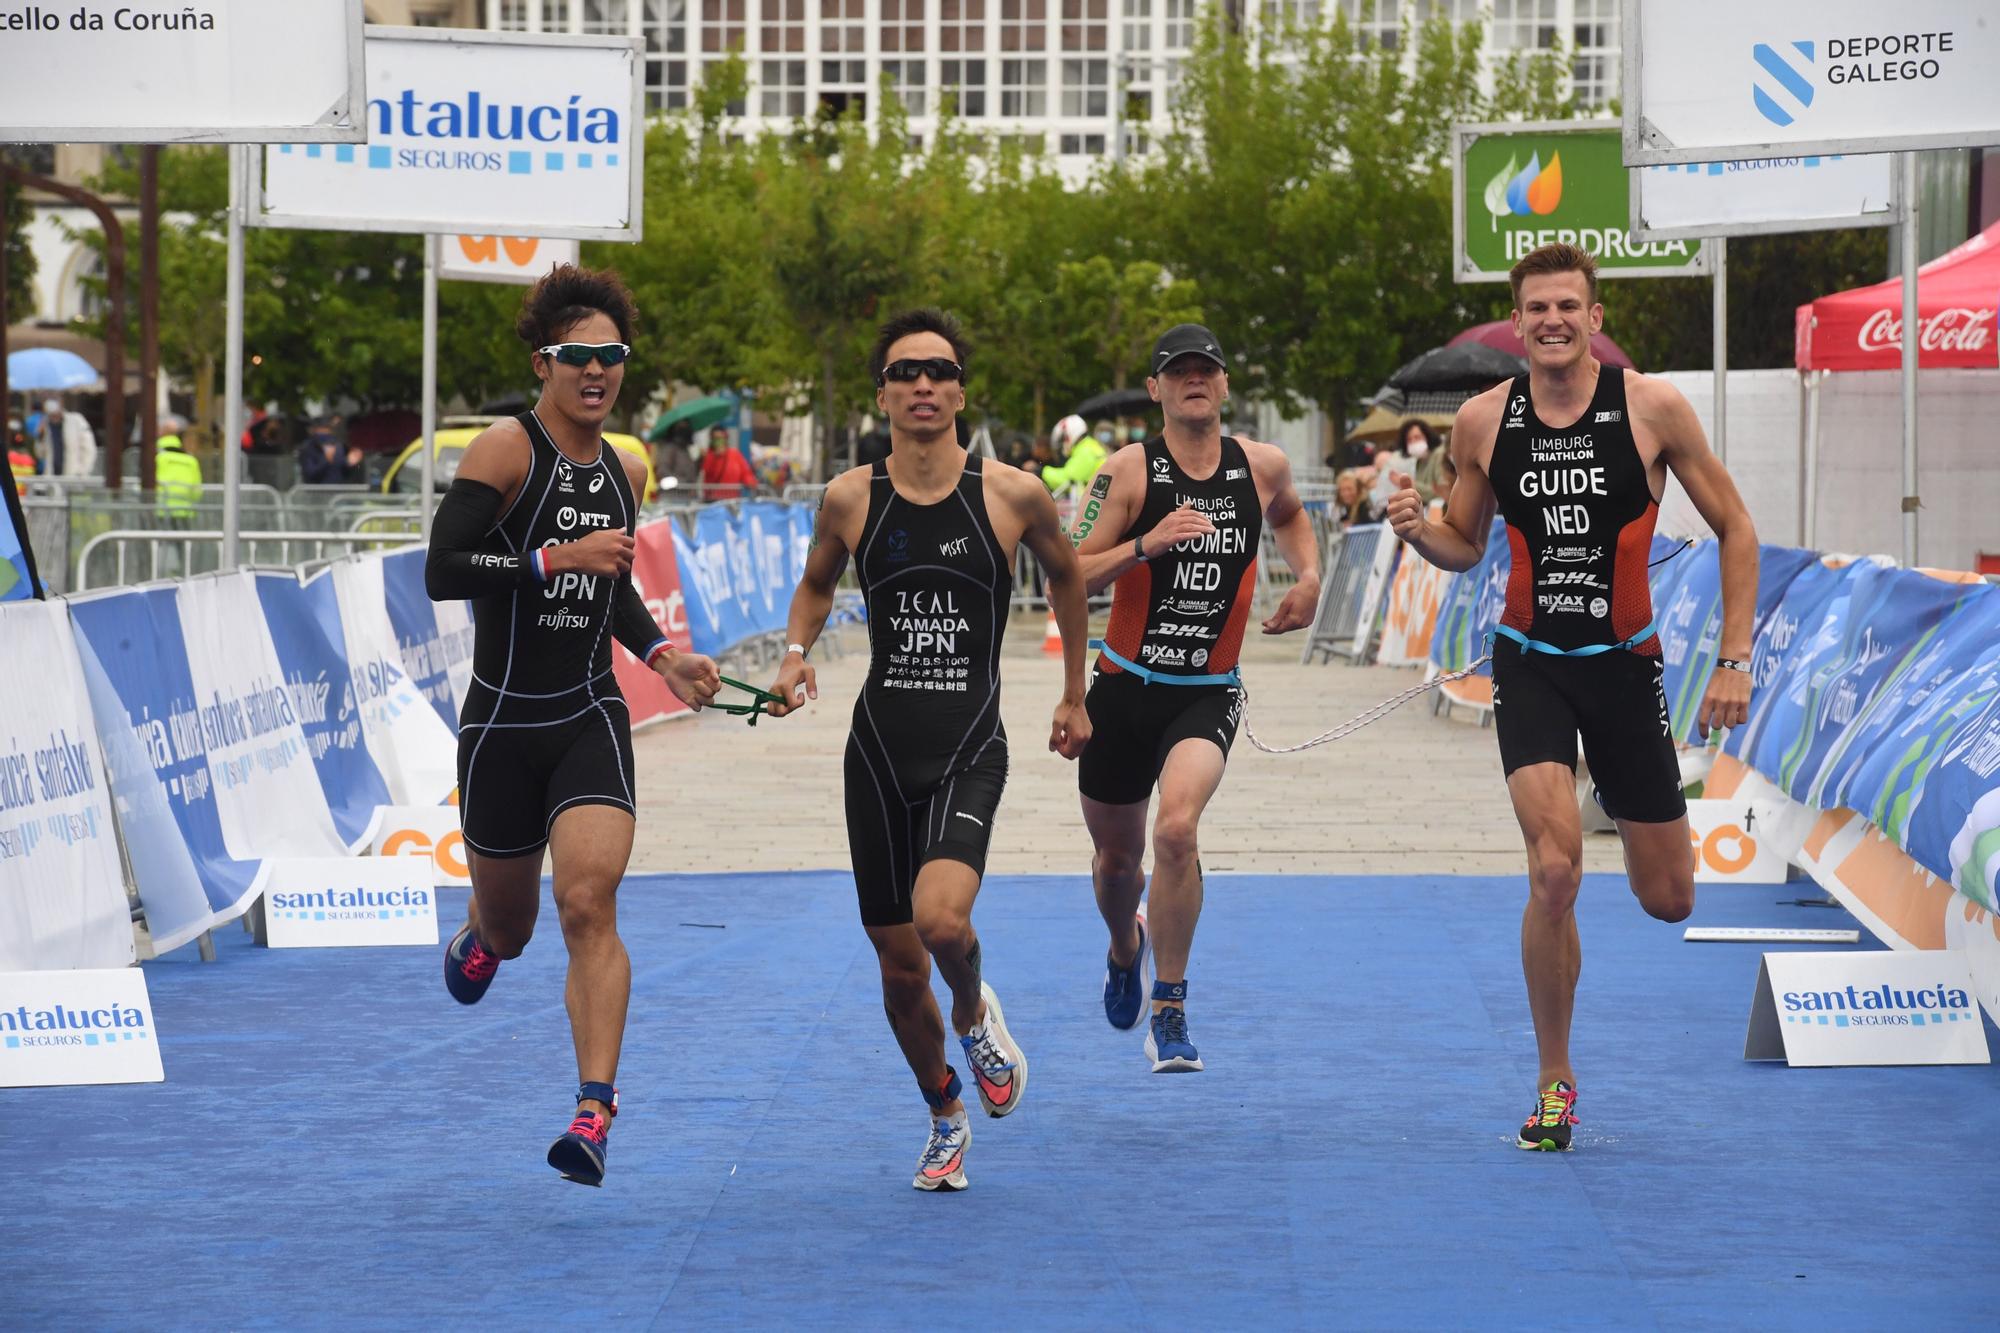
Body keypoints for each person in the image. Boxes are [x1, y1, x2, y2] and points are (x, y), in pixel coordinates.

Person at [1385, 242, 1757, 1151]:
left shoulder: (1651, 408)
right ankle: (1554, 1076)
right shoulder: (1482, 420)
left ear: (1595, 319)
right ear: (1518, 325)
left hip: (1626, 667)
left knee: (1669, 897)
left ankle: (1632, 863)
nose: (1552, 320)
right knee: (1554, 868)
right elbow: (1465, 543)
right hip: (1532, 662)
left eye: (1568, 306)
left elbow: (1737, 527)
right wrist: (1414, 529)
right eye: (1536, 308)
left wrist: (1734, 658)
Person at [764, 308, 1091, 1192]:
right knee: (900, 968)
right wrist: (794, 657)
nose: (922, 385)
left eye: (939, 371)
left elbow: (1066, 574)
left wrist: (1074, 691)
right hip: (876, 751)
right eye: (905, 372)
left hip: (968, 745)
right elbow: (814, 584)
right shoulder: (850, 496)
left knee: (943, 920)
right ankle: (945, 1108)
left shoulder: (1013, 493)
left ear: (959, 390)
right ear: (882, 393)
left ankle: (979, 1017)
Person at [423, 264, 722, 1187]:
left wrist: (663, 655)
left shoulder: (627, 467)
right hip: (503, 725)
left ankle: (593, 1108)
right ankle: (481, 932)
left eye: (613, 357)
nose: (598, 372)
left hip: (590, 713)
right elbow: (443, 569)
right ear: (545, 361)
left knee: (588, 901)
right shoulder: (504, 451)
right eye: (579, 357)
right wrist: (553, 557)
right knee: (512, 933)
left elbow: (614, 580)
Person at [1066, 322, 1321, 1072]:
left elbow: (1292, 520)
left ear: (1225, 384)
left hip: (1205, 692)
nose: (1194, 380)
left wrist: (1307, 578)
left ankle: (1169, 1004)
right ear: (1156, 389)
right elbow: (1072, 574)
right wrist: (1147, 542)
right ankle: (1125, 946)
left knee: (1176, 830)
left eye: (1205, 369)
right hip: (1121, 688)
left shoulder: (1262, 465)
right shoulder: (1127, 473)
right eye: (1178, 372)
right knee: (1118, 862)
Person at [1036, 412, 1108, 498]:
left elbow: (1067, 480)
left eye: (1063, 439)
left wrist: (1042, 471)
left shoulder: (1085, 451)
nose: (1063, 444)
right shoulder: (1089, 446)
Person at [154, 417, 203, 523]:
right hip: (186, 511)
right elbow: (197, 491)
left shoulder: (156, 457)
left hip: (161, 510)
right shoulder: (191, 460)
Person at [40, 398, 98, 479]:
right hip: (52, 477)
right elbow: (40, 454)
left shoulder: (76, 420)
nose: (53, 417)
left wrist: (82, 471)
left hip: (73, 476)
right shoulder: (45, 425)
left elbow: (89, 449)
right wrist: (40, 435)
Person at [698, 424, 756, 500]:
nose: (719, 441)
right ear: (711, 440)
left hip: (732, 501)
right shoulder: (708, 456)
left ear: (726, 438)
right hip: (713, 500)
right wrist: (715, 457)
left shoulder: (735, 454)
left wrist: (750, 482)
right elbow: (707, 471)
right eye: (716, 438)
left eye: (721, 438)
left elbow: (745, 473)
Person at [296, 419, 361, 485]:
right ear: (314, 431)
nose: (324, 434)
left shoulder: (339, 446)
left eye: (327, 430)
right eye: (321, 431)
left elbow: (346, 470)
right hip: (316, 490)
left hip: (339, 489)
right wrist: (326, 459)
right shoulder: (308, 448)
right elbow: (310, 473)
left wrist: (351, 463)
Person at [653, 423, 700, 490]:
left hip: (687, 495)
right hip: (673, 495)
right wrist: (681, 482)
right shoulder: (670, 449)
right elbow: (662, 471)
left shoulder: (686, 449)